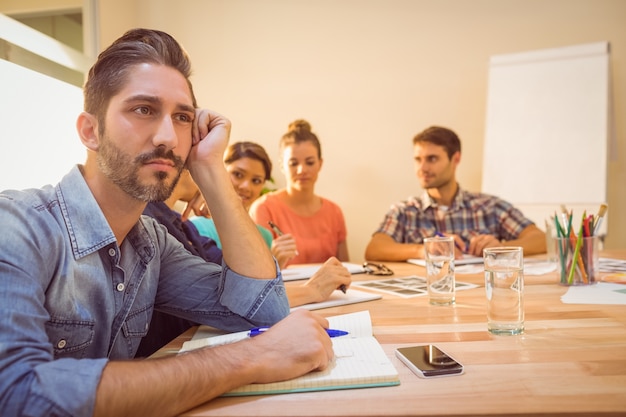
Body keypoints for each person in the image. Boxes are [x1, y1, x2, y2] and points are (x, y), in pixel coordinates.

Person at [0, 29, 334, 417]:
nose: (167, 137)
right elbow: (16, 396)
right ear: (90, 131)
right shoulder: (17, 227)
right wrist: (248, 358)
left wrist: (210, 167)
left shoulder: (151, 244)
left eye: (182, 118)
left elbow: (262, 311)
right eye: (143, 109)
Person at [191, 141, 352, 307]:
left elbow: (268, 293)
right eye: (238, 174)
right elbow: (232, 298)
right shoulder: (197, 229)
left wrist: (275, 265)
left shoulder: (264, 235)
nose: (246, 186)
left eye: (256, 180)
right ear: (221, 171)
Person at [365, 125, 546, 261]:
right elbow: (374, 249)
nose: (422, 168)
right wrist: (423, 249)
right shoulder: (404, 211)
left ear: (455, 159)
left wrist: (501, 248)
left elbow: (540, 239)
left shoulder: (490, 206)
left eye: (432, 159)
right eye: (418, 159)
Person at [249, 120, 350, 267]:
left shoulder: (334, 212)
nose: (302, 170)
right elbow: (256, 271)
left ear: (320, 164)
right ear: (282, 166)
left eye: (309, 162)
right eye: (293, 163)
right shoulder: (264, 208)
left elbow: (346, 267)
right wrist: (273, 258)